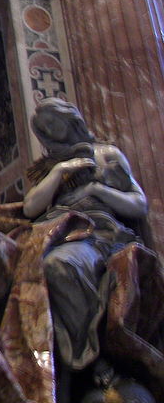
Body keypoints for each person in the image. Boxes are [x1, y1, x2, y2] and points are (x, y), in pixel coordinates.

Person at [22, 99, 148, 374]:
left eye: (54, 121)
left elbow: (139, 204)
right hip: (57, 233)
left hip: (98, 234)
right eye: (45, 128)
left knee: (59, 265)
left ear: (71, 120)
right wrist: (58, 172)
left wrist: (98, 191)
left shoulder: (106, 155)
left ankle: (90, 359)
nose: (52, 131)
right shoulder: (47, 169)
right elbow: (30, 207)